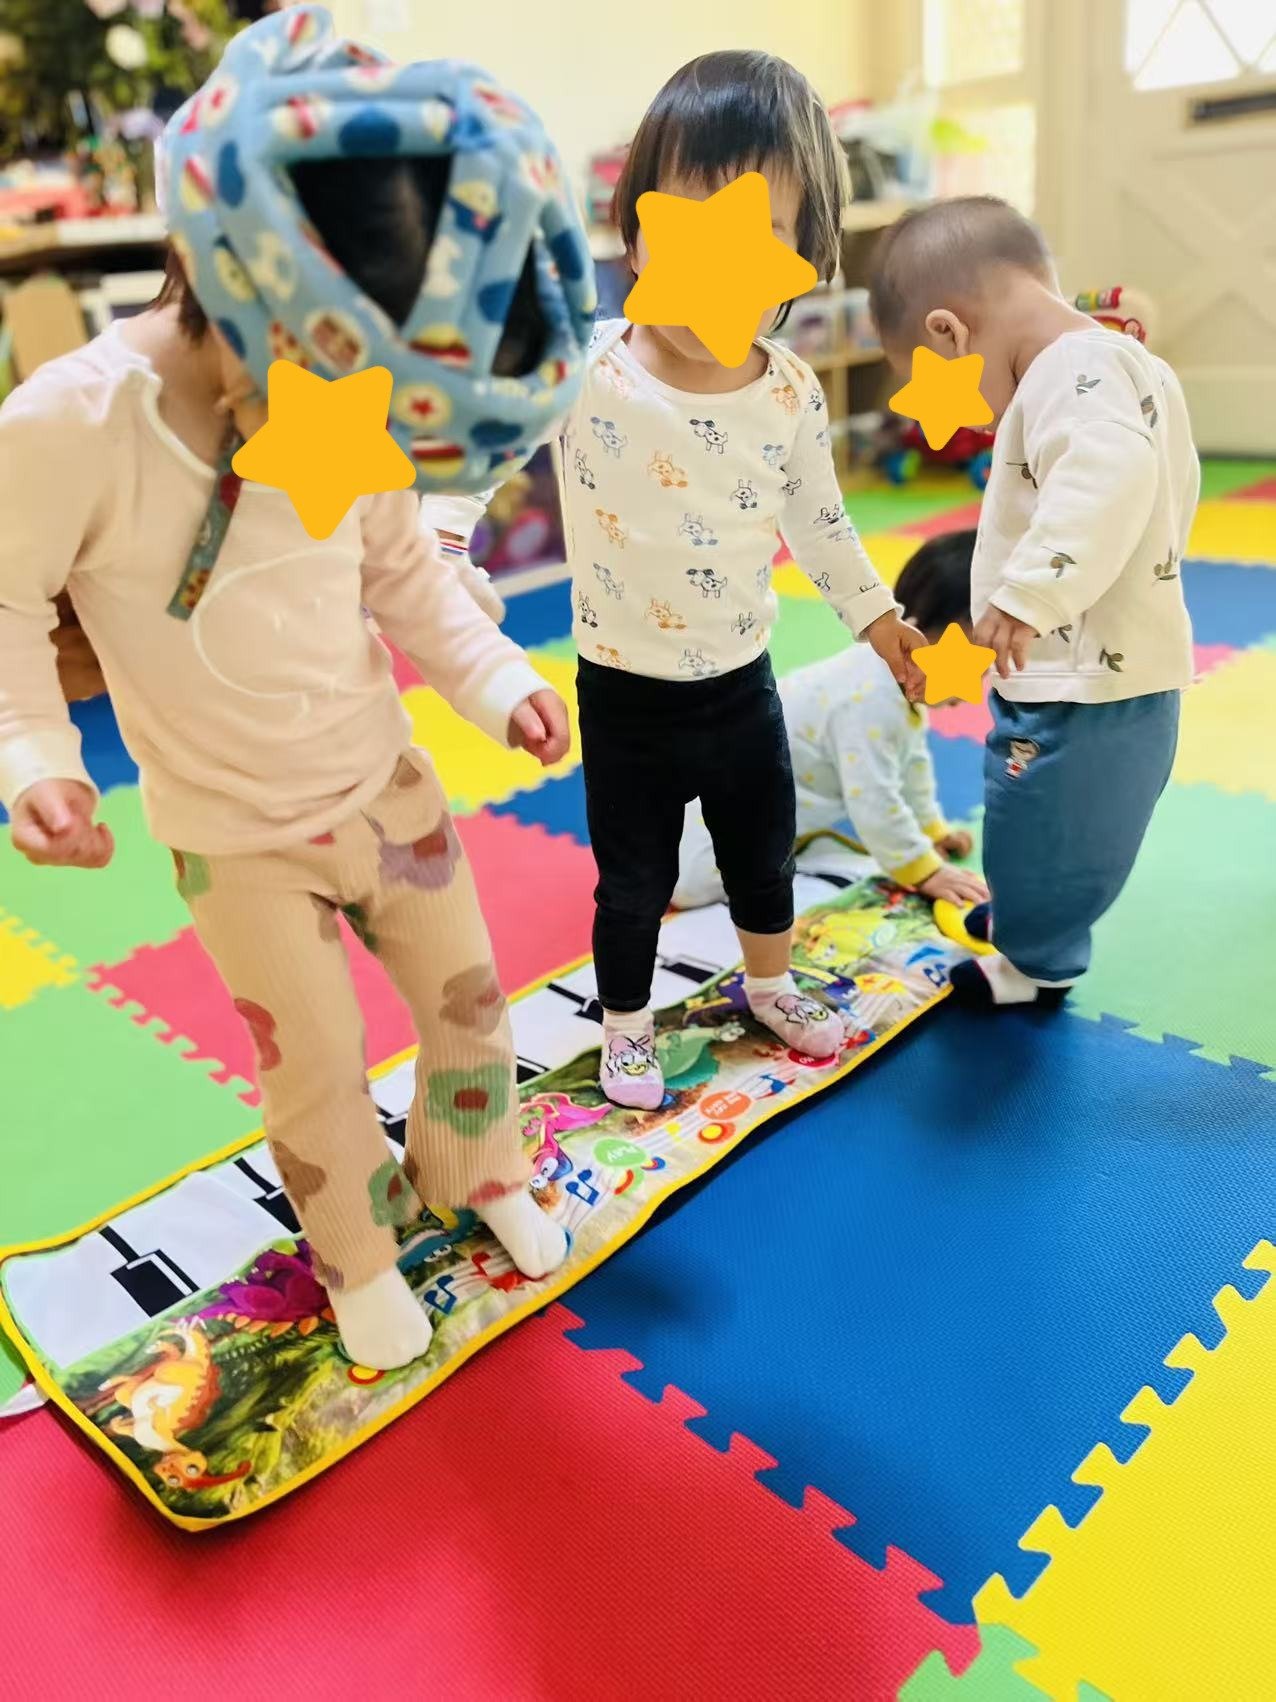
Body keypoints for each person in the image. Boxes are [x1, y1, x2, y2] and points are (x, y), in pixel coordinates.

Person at [0, 8, 598, 1370]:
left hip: (385, 783)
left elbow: (404, 573)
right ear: (234, 283)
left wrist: (497, 678)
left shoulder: (362, 404)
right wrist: (38, 760)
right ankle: (357, 1252)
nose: (362, 434)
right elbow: (8, 608)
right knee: (315, 1062)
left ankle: (478, 1165)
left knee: (470, 1007)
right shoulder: (70, 427)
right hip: (235, 838)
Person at [562, 51, 927, 1109]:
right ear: (635, 231)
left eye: (753, 238)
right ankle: (626, 1025)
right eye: (686, 226)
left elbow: (821, 523)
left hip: (739, 681)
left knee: (762, 857)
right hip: (623, 690)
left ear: (802, 258)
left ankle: (768, 984)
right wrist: (445, 549)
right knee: (633, 880)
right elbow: (483, 451)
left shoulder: (789, 395)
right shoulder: (589, 370)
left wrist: (879, 619)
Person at [869, 195, 1196, 1006]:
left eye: (936, 383)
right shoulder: (1114, 364)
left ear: (949, 332)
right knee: (1058, 827)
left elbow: (1107, 480)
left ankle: (1033, 964)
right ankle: (1032, 923)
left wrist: (1028, 596)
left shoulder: (1068, 372)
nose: (973, 417)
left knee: (1036, 825)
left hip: (1083, 678)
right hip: (1102, 667)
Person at [672, 530, 989, 912]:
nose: (974, 684)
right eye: (963, 663)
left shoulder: (900, 683)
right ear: (913, 633)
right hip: (725, 797)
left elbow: (912, 764)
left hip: (767, 793)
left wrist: (931, 828)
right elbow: (873, 800)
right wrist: (924, 871)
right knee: (690, 884)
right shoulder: (869, 701)